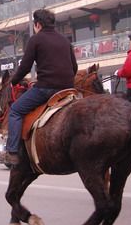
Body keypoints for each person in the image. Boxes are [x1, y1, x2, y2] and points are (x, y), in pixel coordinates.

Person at [5, 9, 78, 165]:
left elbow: (25, 67)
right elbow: (75, 67)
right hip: (67, 89)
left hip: (47, 88)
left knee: (16, 110)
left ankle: (12, 151)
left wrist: (14, 81)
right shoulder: (65, 40)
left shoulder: (36, 40)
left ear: (37, 24)